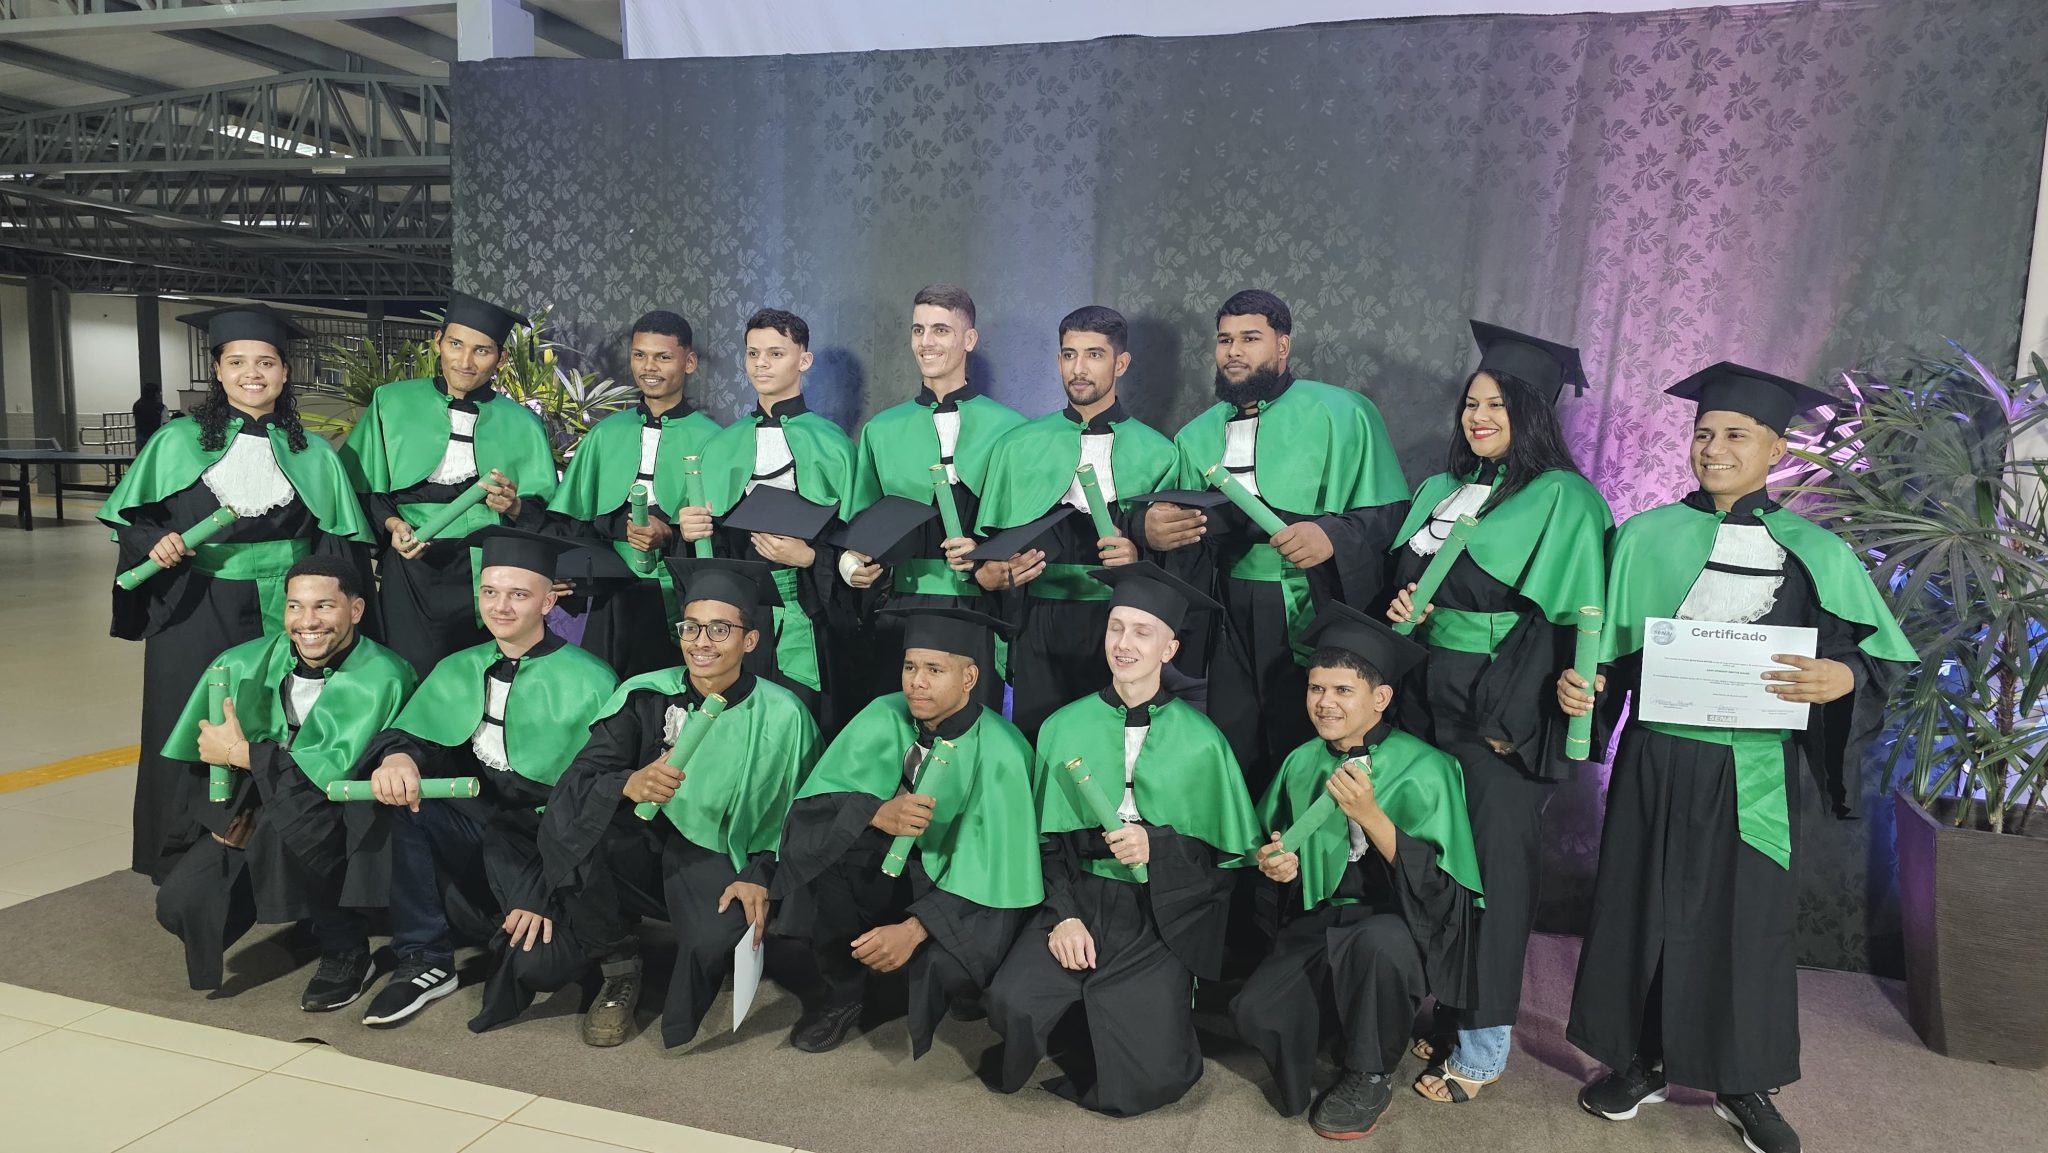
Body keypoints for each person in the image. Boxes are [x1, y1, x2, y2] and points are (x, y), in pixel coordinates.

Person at [1561, 363, 1915, 1153]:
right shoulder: (1644, 535)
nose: (1714, 448)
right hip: (1657, 757)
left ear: (1776, 448)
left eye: (1736, 435)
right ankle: (1643, 1060)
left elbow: (1877, 661)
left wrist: (1842, 677)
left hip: (1753, 767)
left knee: (1744, 922)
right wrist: (1589, 690)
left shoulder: (1817, 551)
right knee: (1642, 906)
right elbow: (1610, 652)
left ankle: (1743, 1080)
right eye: (1704, 433)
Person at [1381, 323, 1612, 1103]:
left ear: (1533, 413)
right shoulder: (1438, 492)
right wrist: (1407, 611)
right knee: (1435, 862)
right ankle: (1447, 1009)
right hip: (1425, 698)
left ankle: (1481, 1044)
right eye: (1471, 403)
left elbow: (1573, 620)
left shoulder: (1565, 499)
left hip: (1500, 707)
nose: (1478, 417)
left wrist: (1514, 716)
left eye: (1498, 405)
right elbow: (1412, 586)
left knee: (1494, 877)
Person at [504, 556, 820, 1047]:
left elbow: (797, 816)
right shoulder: (644, 694)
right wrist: (628, 784)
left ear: (749, 641)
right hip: (633, 846)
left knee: (714, 939)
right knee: (541, 945)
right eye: (691, 627)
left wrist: (760, 875)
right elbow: (580, 781)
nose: (701, 642)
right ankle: (618, 960)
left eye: (719, 629)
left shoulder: (785, 715)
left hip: (716, 851)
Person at [102, 305, 371, 882]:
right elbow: (133, 522)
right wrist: (156, 544)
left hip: (290, 611)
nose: (253, 373)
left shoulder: (315, 453)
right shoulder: (175, 441)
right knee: (186, 719)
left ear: (285, 372)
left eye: (266, 362)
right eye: (238, 362)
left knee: (284, 722)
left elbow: (335, 544)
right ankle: (180, 859)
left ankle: (280, 863)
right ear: (218, 371)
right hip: (195, 602)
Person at [984, 562, 1260, 1117]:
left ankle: (1116, 1021)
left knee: (1147, 1081)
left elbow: (1225, 861)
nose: (1124, 644)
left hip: (1161, 911)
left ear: (1170, 648)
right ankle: (1081, 1019)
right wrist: (1063, 916)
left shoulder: (1203, 741)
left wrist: (1159, 846)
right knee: (1010, 1002)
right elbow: (1042, 840)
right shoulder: (1063, 726)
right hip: (1080, 894)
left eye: (1142, 632)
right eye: (1116, 628)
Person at [1232, 602, 1483, 1140]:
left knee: (1377, 943)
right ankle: (1349, 1025)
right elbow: (1269, 849)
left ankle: (1370, 1074)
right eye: (1316, 689)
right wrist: (1278, 868)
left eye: (1343, 690)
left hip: (1398, 927)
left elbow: (1445, 895)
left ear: (1381, 698)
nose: (1325, 703)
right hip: (1325, 919)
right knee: (1254, 1011)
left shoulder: (1429, 768)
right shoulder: (1302, 762)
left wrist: (1371, 816)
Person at [355, 527, 620, 1028]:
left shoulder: (592, 679)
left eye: (518, 594)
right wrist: (399, 757)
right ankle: (425, 959)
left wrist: (541, 888)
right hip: (487, 821)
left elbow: (598, 803)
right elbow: (415, 732)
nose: (500, 607)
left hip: (557, 839)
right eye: (490, 592)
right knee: (407, 802)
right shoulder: (461, 665)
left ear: (547, 602)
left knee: (539, 962)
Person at [1145, 289, 1407, 793]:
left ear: (1282, 346)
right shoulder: (1194, 435)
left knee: (1309, 740)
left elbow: (1392, 513)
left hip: (1314, 603)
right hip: (1226, 610)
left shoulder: (1342, 412)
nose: (1234, 351)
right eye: (1225, 340)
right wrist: (1152, 529)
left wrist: (1330, 534)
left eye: (1250, 339)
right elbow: (1176, 524)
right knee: (1234, 741)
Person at [771, 606, 1041, 1058]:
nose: (917, 682)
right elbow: (816, 807)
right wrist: (875, 812)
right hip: (892, 867)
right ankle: (844, 993)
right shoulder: (883, 713)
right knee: (829, 849)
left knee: (951, 965)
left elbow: (1000, 870)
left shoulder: (1003, 751)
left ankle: (964, 985)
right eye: (910, 667)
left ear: (969, 678)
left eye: (934, 670)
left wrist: (917, 928)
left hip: (962, 889)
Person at [154, 555, 416, 1002]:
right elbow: (202, 761)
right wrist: (227, 819)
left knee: (294, 825)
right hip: (261, 803)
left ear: (355, 610)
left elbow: (329, 775)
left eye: (324, 606)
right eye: (295, 606)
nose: (307, 622)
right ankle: (308, 914)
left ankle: (346, 946)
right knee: (181, 903)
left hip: (344, 818)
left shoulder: (385, 676)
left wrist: (243, 754)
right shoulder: (240, 664)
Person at [971, 305, 1178, 740]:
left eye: (1094, 355)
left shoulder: (1159, 454)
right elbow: (987, 548)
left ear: (1121, 363)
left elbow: (1180, 567)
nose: (1078, 369)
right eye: (1069, 355)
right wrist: (988, 573)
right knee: (1036, 739)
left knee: (1108, 741)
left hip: (1118, 625)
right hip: (1036, 622)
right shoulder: (1017, 447)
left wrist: (1139, 554)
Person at [340, 292, 559, 676]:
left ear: (500, 359)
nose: (465, 361)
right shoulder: (391, 402)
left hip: (489, 568)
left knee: (479, 673)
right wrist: (393, 525)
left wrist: (514, 507)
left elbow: (544, 509)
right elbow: (362, 486)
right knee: (408, 668)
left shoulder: (522, 423)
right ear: (438, 342)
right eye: (455, 344)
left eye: (481, 351)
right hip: (412, 560)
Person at [837, 284, 1024, 704]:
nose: (926, 342)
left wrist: (988, 558)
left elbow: (1024, 526)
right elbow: (859, 525)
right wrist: (851, 565)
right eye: (918, 330)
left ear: (969, 339)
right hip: (901, 610)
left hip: (980, 609)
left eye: (941, 330)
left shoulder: (1012, 429)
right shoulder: (881, 430)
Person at [690, 308, 853, 722]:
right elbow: (709, 547)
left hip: (809, 611)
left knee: (802, 721)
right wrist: (692, 531)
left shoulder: (833, 444)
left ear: (804, 360)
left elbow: (855, 542)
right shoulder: (721, 446)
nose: (761, 364)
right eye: (753, 353)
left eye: (775, 354)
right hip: (736, 615)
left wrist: (811, 558)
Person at [545, 310, 722, 678]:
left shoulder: (714, 440)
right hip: (606, 591)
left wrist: (669, 534)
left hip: (675, 591)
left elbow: (720, 534)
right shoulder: (604, 434)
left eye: (663, 356)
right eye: (640, 355)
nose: (649, 367)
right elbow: (573, 520)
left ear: (689, 362)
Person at [132, 379, 169, 448]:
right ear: (155, 394)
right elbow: (166, 425)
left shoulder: (137, 405)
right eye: (159, 393)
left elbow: (136, 425)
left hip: (141, 440)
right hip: (156, 440)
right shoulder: (161, 408)